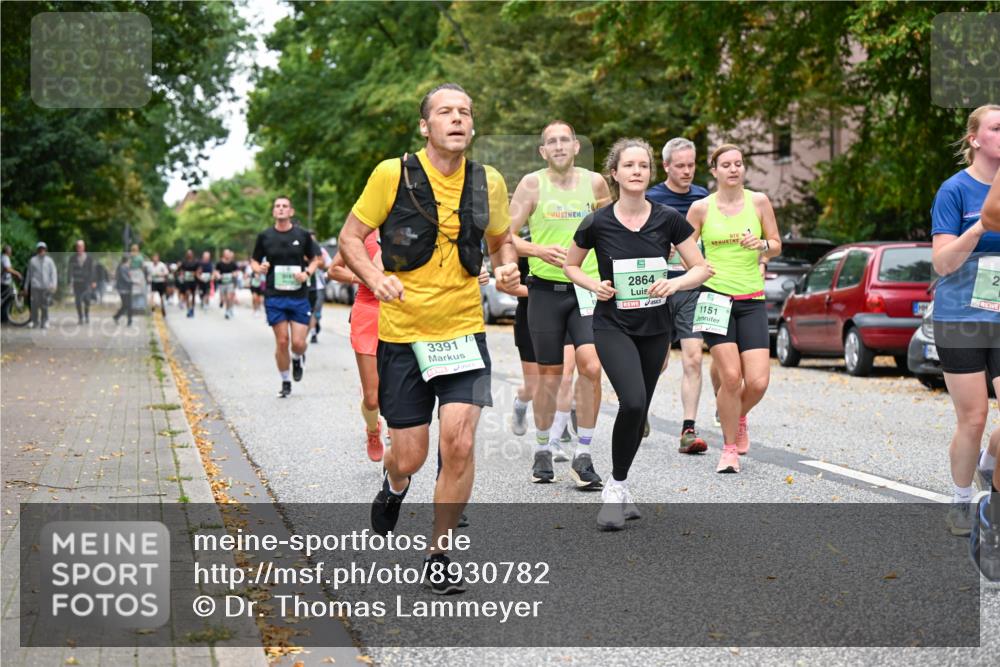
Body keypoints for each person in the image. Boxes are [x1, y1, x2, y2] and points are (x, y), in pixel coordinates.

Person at [338, 83, 519, 594]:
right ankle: (395, 485)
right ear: (426, 125)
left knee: (459, 442)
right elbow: (349, 239)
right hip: (403, 335)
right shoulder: (390, 174)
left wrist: (506, 269)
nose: (457, 118)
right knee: (411, 456)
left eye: (465, 111)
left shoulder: (489, 181)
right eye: (445, 112)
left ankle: (440, 551)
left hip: (462, 331)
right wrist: (375, 280)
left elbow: (502, 241)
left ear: (473, 125)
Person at [565, 138, 711, 530]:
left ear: (650, 173)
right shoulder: (597, 221)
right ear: (614, 173)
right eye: (628, 165)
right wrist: (594, 285)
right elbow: (570, 266)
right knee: (631, 402)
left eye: (643, 166)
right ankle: (614, 491)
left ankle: (620, 480)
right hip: (612, 324)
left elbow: (700, 267)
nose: (636, 171)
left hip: (655, 328)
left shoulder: (668, 218)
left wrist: (675, 284)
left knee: (640, 407)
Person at [508, 120, 612, 489]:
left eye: (564, 139)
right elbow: (504, 234)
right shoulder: (532, 184)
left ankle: (583, 453)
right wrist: (536, 249)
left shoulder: (595, 183)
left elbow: (612, 228)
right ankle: (542, 448)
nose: (558, 146)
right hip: (544, 292)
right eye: (551, 142)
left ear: (576, 146)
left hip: (585, 291)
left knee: (591, 366)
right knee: (548, 379)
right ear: (542, 151)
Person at [686, 144, 781, 474]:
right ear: (714, 171)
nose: (733, 169)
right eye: (726, 164)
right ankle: (728, 450)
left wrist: (762, 246)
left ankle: (736, 414)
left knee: (757, 382)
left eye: (738, 164)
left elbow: (777, 243)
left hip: (751, 299)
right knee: (730, 376)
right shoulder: (700, 208)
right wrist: (698, 267)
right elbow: (684, 247)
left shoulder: (758, 202)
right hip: (715, 297)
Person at [929, 104, 1000, 535]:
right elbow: (941, 263)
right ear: (975, 139)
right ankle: (959, 501)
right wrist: (980, 227)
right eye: (997, 127)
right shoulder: (954, 190)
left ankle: (989, 467)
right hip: (961, 317)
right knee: (973, 418)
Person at [646, 137, 712, 452]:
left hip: (690, 287)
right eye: (680, 166)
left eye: (691, 165)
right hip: (656, 287)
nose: (687, 171)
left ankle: (688, 429)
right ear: (667, 166)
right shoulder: (651, 197)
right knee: (657, 362)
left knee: (694, 359)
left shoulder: (703, 198)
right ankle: (638, 408)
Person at [251, 196, 322, 398]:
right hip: (275, 296)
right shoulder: (264, 236)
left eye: (284, 206)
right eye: (277, 206)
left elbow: (316, 260)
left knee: (297, 343)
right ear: (274, 212)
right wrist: (260, 268)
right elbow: (254, 261)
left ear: (291, 211)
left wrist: (306, 273)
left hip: (299, 296)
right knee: (282, 341)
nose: (281, 209)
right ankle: (285, 381)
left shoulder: (303, 235)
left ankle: (298, 358)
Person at [330, 234, 387, 461]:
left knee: (394, 389)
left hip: (402, 312)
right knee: (373, 398)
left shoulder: (409, 229)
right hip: (368, 312)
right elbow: (334, 270)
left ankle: (399, 428)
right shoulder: (362, 233)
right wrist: (362, 277)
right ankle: (373, 430)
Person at [25, 241, 57, 329]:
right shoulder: (32, 261)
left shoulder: (49, 261)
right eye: (40, 249)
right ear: (37, 250)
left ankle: (45, 321)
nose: (41, 251)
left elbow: (53, 273)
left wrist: (53, 284)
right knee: (34, 305)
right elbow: (29, 274)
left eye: (43, 249)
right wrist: (26, 287)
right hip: (35, 286)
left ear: (45, 250)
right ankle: (34, 321)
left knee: (44, 305)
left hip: (46, 286)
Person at [306, 231, 331, 343]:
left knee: (316, 309)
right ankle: (313, 327)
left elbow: (328, 264)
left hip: (319, 285)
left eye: (313, 239)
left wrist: (316, 262)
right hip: (305, 285)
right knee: (308, 310)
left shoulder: (321, 251)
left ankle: (313, 332)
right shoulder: (302, 249)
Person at [69, 240, 97, 324]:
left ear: (84, 247)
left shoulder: (89, 258)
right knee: (77, 301)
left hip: (87, 283)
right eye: (78, 246)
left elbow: (93, 270)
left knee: (87, 300)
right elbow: (70, 270)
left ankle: (87, 316)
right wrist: (69, 281)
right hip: (77, 283)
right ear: (76, 248)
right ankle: (80, 318)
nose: (79, 248)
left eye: (81, 246)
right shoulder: (72, 258)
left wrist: (94, 281)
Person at [214, 249, 239, 319]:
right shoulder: (219, 263)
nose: (228, 255)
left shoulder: (232, 263)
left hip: (230, 283)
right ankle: (223, 302)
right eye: (226, 254)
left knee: (229, 297)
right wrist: (218, 275)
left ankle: (227, 311)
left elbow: (236, 272)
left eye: (228, 253)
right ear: (224, 254)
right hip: (222, 283)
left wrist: (234, 274)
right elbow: (216, 271)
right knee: (223, 298)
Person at [1, 245, 22, 323]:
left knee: (4, 299)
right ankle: (4, 319)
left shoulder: (2, 257)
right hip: (4, 282)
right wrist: (17, 273)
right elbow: (7, 268)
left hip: (3, 282)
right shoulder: (5, 258)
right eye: (10, 251)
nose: (11, 252)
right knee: (7, 300)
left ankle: (4, 318)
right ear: (7, 251)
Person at [113, 255, 133, 326]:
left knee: (127, 305)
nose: (130, 262)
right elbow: (125, 278)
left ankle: (118, 317)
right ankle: (128, 320)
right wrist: (133, 282)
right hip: (123, 289)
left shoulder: (126, 268)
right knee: (127, 305)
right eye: (129, 260)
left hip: (127, 289)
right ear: (127, 260)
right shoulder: (122, 268)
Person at [179, 249, 199, 317]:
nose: (189, 255)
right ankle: (188, 309)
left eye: (190, 254)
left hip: (194, 281)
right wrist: (182, 274)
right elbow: (181, 270)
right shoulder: (184, 262)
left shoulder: (196, 262)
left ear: (192, 254)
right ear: (186, 255)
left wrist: (195, 273)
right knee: (187, 294)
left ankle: (192, 308)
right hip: (186, 280)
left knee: (193, 296)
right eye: (188, 254)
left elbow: (199, 270)